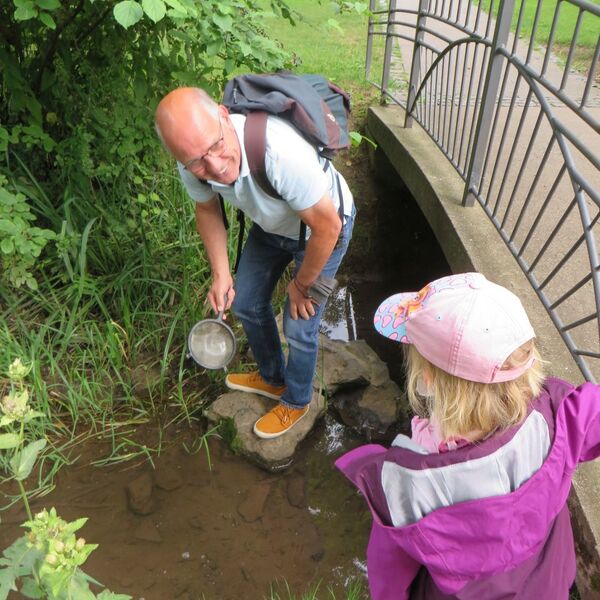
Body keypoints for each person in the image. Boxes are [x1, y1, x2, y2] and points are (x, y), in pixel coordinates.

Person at [335, 272, 600, 599]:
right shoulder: (561, 418)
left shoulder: (405, 484)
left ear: (427, 378)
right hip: (546, 587)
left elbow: (389, 579)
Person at [155, 87, 355, 439]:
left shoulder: (280, 152)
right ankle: (273, 378)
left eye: (215, 147)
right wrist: (220, 273)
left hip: (320, 229)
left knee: (299, 326)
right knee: (246, 302)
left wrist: (301, 284)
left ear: (222, 115)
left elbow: (328, 227)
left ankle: (297, 401)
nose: (214, 167)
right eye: (198, 162)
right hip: (272, 225)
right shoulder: (192, 158)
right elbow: (206, 208)